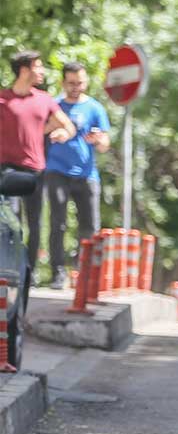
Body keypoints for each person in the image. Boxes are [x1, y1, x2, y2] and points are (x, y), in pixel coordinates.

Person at [0, 51, 77, 276]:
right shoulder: (3, 99)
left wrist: (62, 132)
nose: (42, 71)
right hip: (7, 169)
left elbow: (69, 126)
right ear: (24, 70)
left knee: (34, 223)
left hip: (34, 169)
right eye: (39, 67)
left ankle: (29, 272)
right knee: (11, 220)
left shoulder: (44, 100)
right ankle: (9, 267)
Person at [44, 62, 111, 289]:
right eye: (71, 83)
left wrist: (98, 140)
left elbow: (104, 144)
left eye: (80, 82)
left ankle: (86, 272)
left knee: (90, 226)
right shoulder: (54, 106)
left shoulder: (95, 108)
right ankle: (58, 273)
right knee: (57, 223)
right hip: (57, 171)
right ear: (63, 83)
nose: (75, 87)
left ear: (86, 82)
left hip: (87, 174)